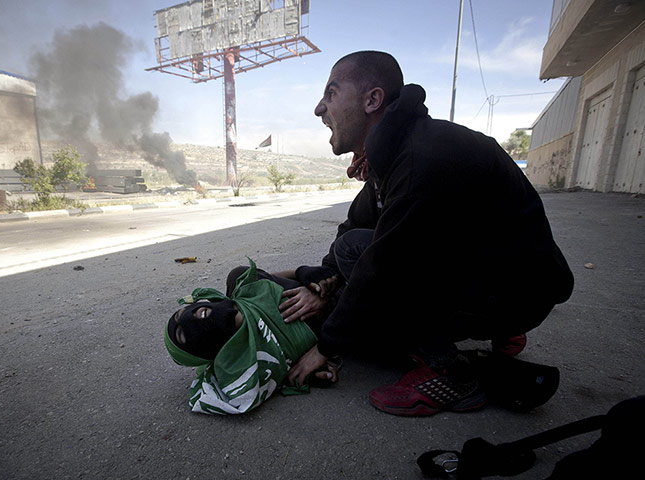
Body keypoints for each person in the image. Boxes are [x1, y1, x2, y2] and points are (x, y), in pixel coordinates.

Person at [286, 51, 574, 417]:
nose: (319, 109)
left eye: (330, 93)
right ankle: (499, 331)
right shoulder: (396, 150)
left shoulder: (421, 157)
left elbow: (379, 265)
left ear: (372, 99)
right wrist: (321, 280)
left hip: (520, 292)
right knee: (352, 246)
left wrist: (324, 347)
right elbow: (356, 221)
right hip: (509, 278)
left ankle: (449, 373)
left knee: (361, 263)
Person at [164, 258, 339, 415]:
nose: (187, 317)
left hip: (339, 282)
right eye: (181, 334)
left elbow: (271, 276)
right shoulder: (247, 366)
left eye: (181, 314)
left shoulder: (242, 285)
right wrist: (313, 362)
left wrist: (302, 272)